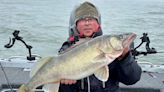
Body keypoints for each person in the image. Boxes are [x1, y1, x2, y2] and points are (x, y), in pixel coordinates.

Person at [58, 1, 142, 92]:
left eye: (91, 19)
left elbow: (132, 79)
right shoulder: (66, 49)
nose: (87, 23)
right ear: (75, 25)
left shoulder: (109, 47)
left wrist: (125, 57)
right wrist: (64, 83)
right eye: (82, 19)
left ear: (98, 24)